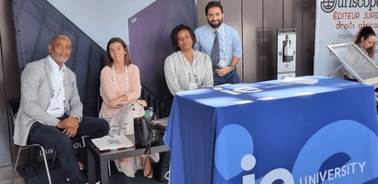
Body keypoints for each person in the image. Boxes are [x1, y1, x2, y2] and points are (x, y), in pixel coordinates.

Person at [13, 35, 109, 184]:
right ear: (50, 48)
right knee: (64, 142)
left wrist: (75, 120)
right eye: (59, 46)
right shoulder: (34, 69)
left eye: (68, 47)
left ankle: (80, 162)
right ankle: (78, 180)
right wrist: (60, 124)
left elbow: (76, 102)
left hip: (63, 118)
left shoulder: (70, 75)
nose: (64, 50)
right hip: (36, 122)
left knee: (102, 126)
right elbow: (29, 106)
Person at [99, 37, 158, 178]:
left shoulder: (133, 69)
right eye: (111, 50)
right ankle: (145, 156)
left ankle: (126, 154)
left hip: (131, 113)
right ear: (109, 53)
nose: (115, 52)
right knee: (135, 109)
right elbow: (113, 102)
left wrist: (126, 98)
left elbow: (136, 92)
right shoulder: (106, 72)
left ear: (125, 50)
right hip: (113, 115)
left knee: (133, 110)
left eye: (119, 48)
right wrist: (135, 100)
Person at [194, 1, 242, 86]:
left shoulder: (232, 32)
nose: (214, 18)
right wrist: (209, 67)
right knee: (212, 98)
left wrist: (230, 67)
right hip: (209, 74)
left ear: (222, 15)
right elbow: (195, 54)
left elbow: (237, 52)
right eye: (211, 15)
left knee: (241, 95)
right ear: (206, 17)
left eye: (217, 14)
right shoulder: (198, 33)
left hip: (230, 72)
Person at [164, 24, 213, 95]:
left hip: (203, 99)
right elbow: (174, 86)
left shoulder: (205, 58)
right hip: (183, 101)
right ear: (177, 43)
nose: (184, 40)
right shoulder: (170, 60)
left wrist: (199, 97)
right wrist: (187, 99)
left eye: (187, 36)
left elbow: (209, 83)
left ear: (192, 38)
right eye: (179, 39)